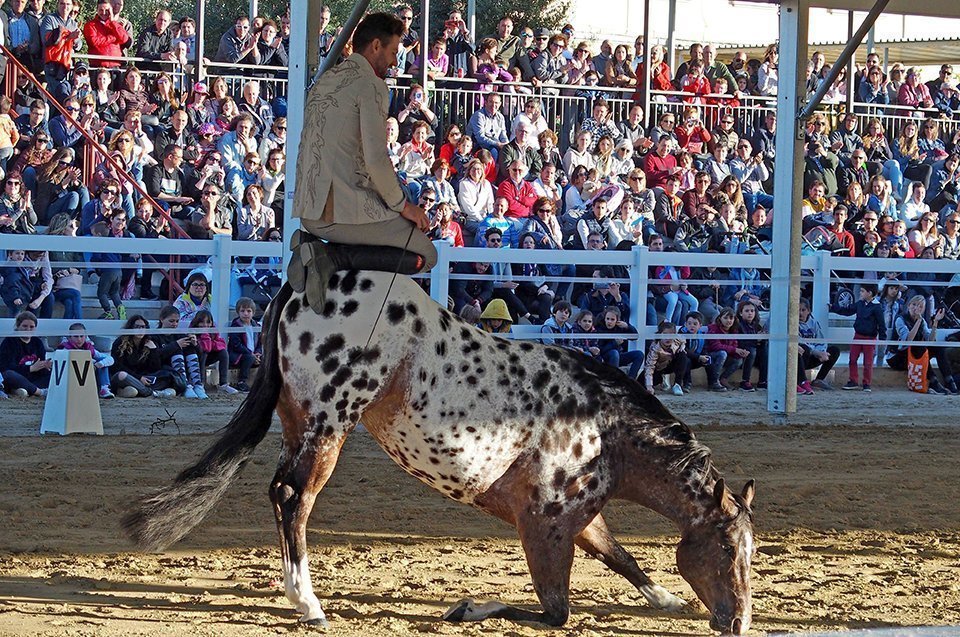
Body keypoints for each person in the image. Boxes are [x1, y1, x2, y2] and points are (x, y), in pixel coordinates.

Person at [290, 13, 435, 311]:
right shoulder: (371, 86)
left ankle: (322, 251)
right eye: (394, 52)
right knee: (425, 254)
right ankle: (330, 258)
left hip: (308, 208)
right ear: (376, 46)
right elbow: (376, 159)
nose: (395, 61)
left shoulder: (326, 79)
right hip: (341, 211)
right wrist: (402, 206)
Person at [887, 295, 956, 395]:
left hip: (914, 354)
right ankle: (933, 381)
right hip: (897, 357)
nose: (916, 308)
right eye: (914, 305)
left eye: (920, 306)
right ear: (909, 305)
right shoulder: (901, 319)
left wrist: (935, 322)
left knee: (937, 347)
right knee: (919, 347)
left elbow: (930, 339)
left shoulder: (922, 320)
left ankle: (949, 380)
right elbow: (908, 340)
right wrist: (918, 321)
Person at [109, 314, 177, 398]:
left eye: (143, 327)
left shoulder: (148, 342)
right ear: (131, 328)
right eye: (137, 327)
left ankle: (130, 391)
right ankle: (152, 393)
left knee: (165, 377)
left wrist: (153, 350)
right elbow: (117, 366)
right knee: (122, 375)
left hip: (142, 379)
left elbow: (155, 368)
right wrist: (139, 378)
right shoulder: (120, 343)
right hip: (125, 377)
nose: (140, 330)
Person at [795, 298, 840, 395]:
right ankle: (801, 381)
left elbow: (820, 340)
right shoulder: (793, 324)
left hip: (815, 356)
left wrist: (822, 352)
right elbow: (799, 341)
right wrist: (817, 353)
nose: (800, 313)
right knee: (803, 348)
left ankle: (819, 379)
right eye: (798, 310)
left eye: (803, 310)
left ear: (809, 311)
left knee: (834, 350)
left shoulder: (814, 323)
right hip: (801, 357)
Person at [59, 322, 115, 398]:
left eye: (82, 336)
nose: (79, 339)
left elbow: (110, 359)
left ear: (86, 337)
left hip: (87, 376)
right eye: (76, 336)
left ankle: (104, 388)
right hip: (71, 378)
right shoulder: (65, 350)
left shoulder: (89, 348)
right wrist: (91, 363)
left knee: (102, 361)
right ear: (69, 338)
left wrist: (100, 364)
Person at [0, 311, 49, 397]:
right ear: (18, 326)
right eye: (25, 326)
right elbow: (5, 367)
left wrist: (45, 365)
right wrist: (30, 368)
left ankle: (22, 390)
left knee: (53, 374)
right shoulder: (9, 341)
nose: (28, 330)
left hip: (33, 378)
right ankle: (39, 392)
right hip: (15, 376)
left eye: (32, 327)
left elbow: (41, 363)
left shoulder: (37, 342)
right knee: (9, 374)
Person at [192, 310, 239, 396]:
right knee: (204, 353)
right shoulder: (193, 332)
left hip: (208, 356)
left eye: (208, 322)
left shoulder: (213, 331)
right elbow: (204, 348)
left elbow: (221, 344)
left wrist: (210, 341)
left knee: (223, 353)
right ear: (196, 322)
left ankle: (223, 384)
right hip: (197, 358)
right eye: (201, 322)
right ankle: (201, 384)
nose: (205, 325)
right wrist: (205, 336)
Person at [644, 320, 688, 395]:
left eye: (671, 335)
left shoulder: (676, 339)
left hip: (671, 364)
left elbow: (683, 340)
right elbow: (649, 366)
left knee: (683, 355)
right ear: (660, 334)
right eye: (665, 334)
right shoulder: (655, 347)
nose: (668, 338)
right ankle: (662, 379)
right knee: (642, 383)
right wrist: (649, 386)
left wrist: (682, 347)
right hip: (658, 368)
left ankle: (677, 384)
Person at [228, 297, 260, 393]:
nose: (245, 313)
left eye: (248, 311)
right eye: (242, 311)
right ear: (238, 312)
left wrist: (258, 353)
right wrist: (251, 354)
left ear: (253, 313)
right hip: (238, 355)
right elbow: (236, 344)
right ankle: (241, 381)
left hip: (252, 354)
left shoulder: (256, 326)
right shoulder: (236, 325)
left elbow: (261, 343)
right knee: (249, 358)